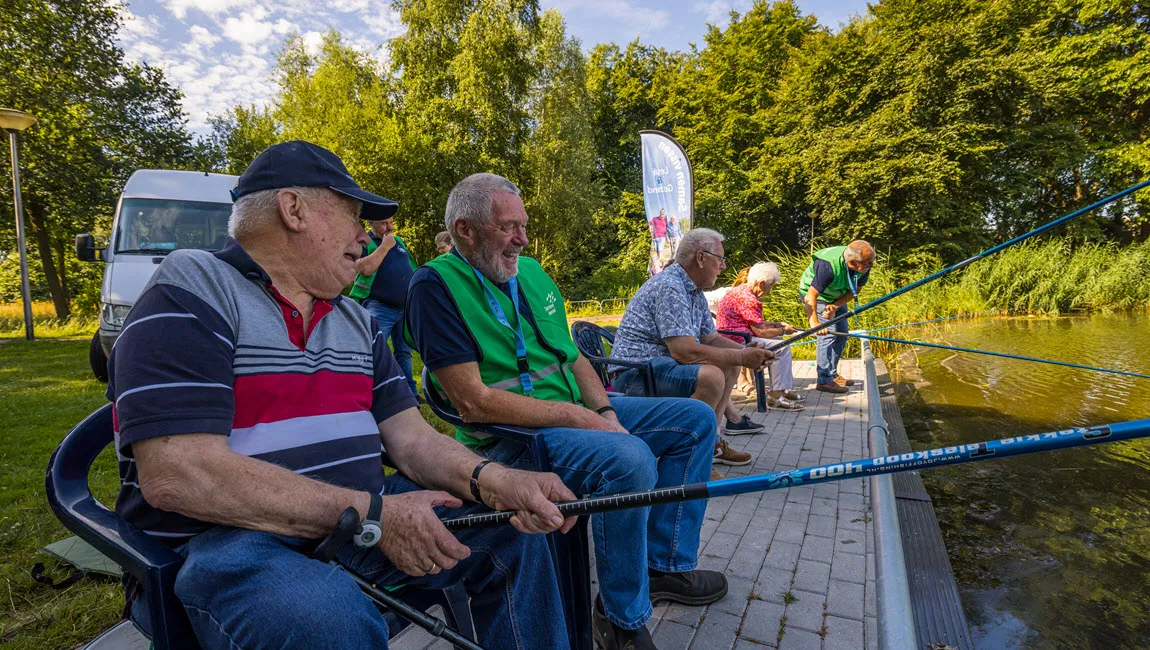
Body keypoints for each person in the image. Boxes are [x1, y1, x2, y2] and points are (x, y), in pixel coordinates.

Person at [106, 141, 577, 649]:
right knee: (326, 618)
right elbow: (180, 475)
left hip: (358, 522)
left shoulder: (356, 320)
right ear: (293, 210)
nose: (363, 236)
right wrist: (374, 516)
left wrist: (498, 482)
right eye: (354, 214)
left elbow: (413, 441)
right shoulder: (193, 287)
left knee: (513, 533)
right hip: (229, 541)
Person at [406, 173, 724, 650]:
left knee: (695, 422)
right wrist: (583, 419)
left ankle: (664, 567)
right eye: (508, 227)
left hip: (572, 412)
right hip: (511, 436)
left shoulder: (530, 272)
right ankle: (620, 617)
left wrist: (603, 410)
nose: (523, 239)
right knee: (630, 460)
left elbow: (573, 358)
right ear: (465, 230)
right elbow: (471, 402)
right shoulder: (433, 284)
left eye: (524, 225)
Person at [608, 228, 775, 473]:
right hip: (635, 374)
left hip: (657, 368)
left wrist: (745, 352)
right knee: (711, 376)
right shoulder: (670, 286)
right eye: (720, 259)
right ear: (700, 257)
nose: (724, 267)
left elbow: (712, 339)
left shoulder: (693, 291)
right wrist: (742, 355)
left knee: (729, 364)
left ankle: (711, 444)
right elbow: (683, 352)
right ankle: (689, 459)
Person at [716, 262, 804, 410]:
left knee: (778, 342)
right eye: (771, 286)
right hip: (737, 339)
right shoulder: (749, 299)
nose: (770, 290)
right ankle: (775, 396)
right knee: (781, 347)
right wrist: (784, 331)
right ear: (762, 283)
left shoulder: (741, 290)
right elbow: (761, 332)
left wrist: (776, 324)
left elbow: (755, 323)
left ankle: (782, 389)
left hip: (733, 334)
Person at [349, 214, 419, 399]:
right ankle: (367, 391)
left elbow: (410, 268)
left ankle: (409, 393)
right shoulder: (365, 242)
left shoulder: (399, 242)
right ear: (371, 222)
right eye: (383, 223)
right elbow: (363, 268)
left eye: (390, 222)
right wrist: (385, 246)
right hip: (380, 307)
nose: (389, 228)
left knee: (404, 353)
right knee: (373, 349)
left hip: (404, 308)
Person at [798, 240, 876, 394]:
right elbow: (810, 295)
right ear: (853, 262)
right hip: (815, 296)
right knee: (828, 333)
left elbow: (856, 290)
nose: (871, 266)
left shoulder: (864, 266)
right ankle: (824, 380)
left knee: (842, 332)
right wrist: (814, 322)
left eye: (872, 262)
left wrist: (836, 306)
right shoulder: (828, 266)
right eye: (868, 264)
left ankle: (832, 374)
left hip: (836, 296)